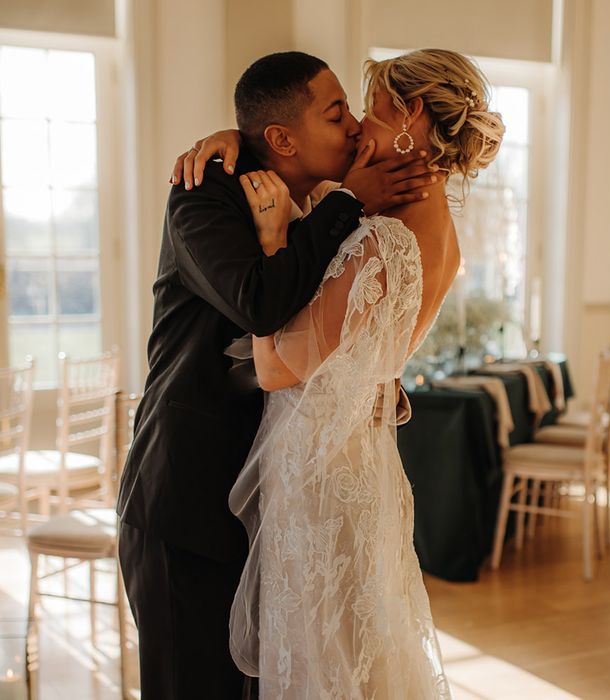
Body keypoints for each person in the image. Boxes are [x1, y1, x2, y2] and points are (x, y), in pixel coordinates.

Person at [184, 48, 504, 698]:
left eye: (371, 108)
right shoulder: (420, 226)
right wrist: (234, 142)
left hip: (323, 471)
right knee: (350, 654)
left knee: (325, 663)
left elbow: (276, 369)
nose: (358, 126)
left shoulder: (386, 241)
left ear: (410, 116)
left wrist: (273, 239)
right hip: (348, 454)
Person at [116, 51, 435, 700]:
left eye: (352, 109)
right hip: (187, 502)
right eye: (336, 112)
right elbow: (260, 302)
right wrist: (345, 199)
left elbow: (334, 334)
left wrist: (382, 387)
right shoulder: (205, 193)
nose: (352, 127)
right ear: (284, 139)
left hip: (274, 512)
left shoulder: (317, 203)